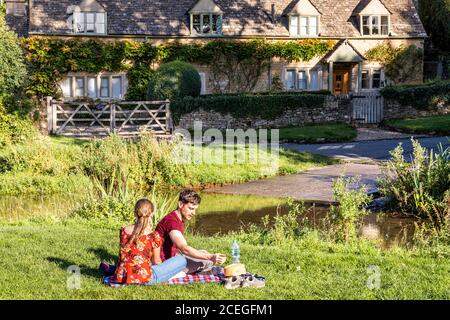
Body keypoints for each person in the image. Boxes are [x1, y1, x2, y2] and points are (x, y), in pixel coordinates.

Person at [111, 198, 187, 285]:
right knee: (182, 260)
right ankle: (168, 275)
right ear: (151, 214)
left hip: (122, 276)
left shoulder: (124, 230)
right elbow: (156, 261)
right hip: (144, 278)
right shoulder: (153, 235)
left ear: (134, 213)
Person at [156, 189, 227, 274]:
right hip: (164, 264)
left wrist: (208, 255)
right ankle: (202, 271)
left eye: (195, 209)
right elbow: (184, 248)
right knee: (208, 262)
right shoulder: (172, 222)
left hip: (173, 258)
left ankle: (200, 268)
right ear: (180, 204)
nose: (193, 213)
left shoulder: (175, 217)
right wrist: (210, 257)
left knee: (203, 252)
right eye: (191, 208)